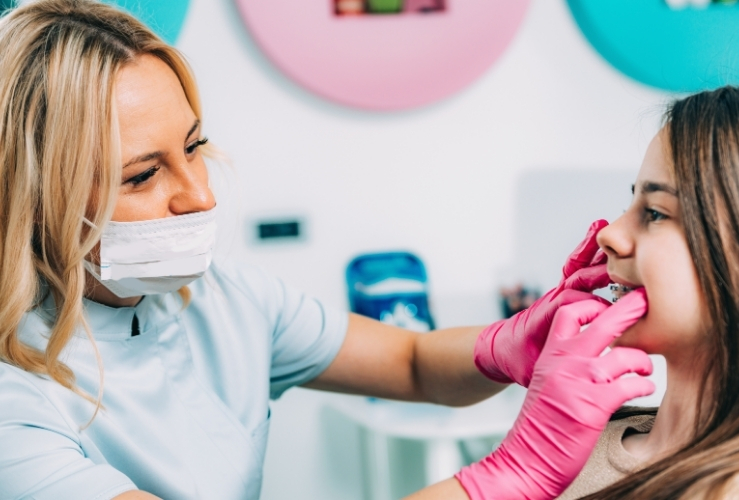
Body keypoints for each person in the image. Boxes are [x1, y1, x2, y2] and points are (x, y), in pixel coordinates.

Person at [0, 1, 654, 499]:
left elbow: (411, 362)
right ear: (33, 197)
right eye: (143, 176)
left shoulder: (225, 299)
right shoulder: (14, 406)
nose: (199, 196)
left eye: (194, 148)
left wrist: (507, 345)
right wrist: (517, 469)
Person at [458, 86, 739, 499]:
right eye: (632, 202)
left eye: (655, 213)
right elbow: (412, 366)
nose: (609, 234)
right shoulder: (583, 441)